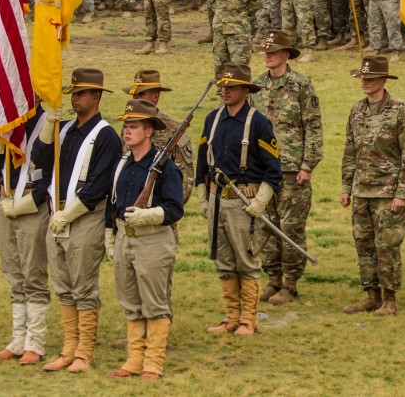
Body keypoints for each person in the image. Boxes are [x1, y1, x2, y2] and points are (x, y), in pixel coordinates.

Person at [31, 68, 122, 372]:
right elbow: (39, 160)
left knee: (83, 286)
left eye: (81, 93)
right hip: (57, 214)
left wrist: (69, 214)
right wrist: (49, 126)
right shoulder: (65, 129)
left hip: (84, 217)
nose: (75, 98)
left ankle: (84, 351)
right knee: (62, 285)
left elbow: (99, 184)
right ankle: (69, 346)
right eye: (73, 93)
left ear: (96, 96)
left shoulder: (106, 135)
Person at [194, 62, 282, 336]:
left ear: (245, 90)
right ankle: (231, 317)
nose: (225, 91)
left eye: (231, 87)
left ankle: (248, 319)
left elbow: (274, 169)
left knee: (246, 261)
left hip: (245, 201)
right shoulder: (212, 119)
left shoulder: (258, 122)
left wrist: (261, 201)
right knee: (223, 261)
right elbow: (202, 162)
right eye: (223, 87)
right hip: (217, 200)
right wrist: (202, 196)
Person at [106, 99, 182, 380]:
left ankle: (153, 363)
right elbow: (111, 201)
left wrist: (147, 215)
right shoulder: (123, 163)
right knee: (130, 301)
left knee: (154, 303)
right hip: (125, 237)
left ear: (148, 131)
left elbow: (175, 209)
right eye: (126, 126)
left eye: (134, 126)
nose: (127, 131)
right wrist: (109, 234)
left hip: (152, 240)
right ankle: (134, 360)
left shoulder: (165, 167)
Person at [249, 29, 324, 304]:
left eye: (272, 52)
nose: (267, 56)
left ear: (284, 55)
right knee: (265, 225)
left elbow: (313, 128)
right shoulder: (256, 86)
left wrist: (308, 165)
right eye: (265, 52)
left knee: (291, 227)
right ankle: (273, 279)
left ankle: (290, 283)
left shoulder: (301, 85)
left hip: (293, 169)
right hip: (263, 171)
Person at [340, 55, 405, 317]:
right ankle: (371, 295)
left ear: (383, 80)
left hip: (387, 192)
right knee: (364, 244)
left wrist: (402, 193)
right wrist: (346, 187)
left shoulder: (400, 110)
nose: (365, 83)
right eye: (363, 78)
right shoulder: (356, 110)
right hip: (362, 190)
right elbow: (350, 150)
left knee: (387, 246)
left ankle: (390, 298)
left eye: (370, 78)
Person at [0, 108, 52, 365]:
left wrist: (30, 202)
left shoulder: (49, 124)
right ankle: (18, 338)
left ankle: (35, 342)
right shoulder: (9, 123)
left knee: (33, 275)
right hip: (6, 203)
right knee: (14, 275)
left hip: (32, 206)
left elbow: (50, 168)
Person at [124, 70, 195, 219]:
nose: (135, 99)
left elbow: (185, 185)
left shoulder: (175, 130)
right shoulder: (127, 128)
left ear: (155, 97)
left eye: (141, 94)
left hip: (159, 219)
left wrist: (154, 213)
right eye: (134, 94)